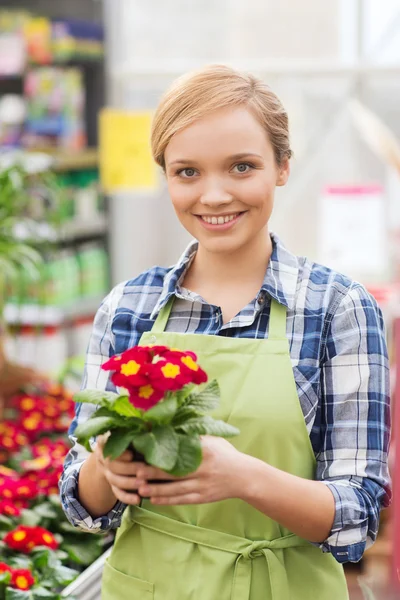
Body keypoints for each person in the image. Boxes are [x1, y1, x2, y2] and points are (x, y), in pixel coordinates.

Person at [60, 65, 391, 600]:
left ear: (283, 166)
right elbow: (84, 507)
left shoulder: (338, 307)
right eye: (187, 172)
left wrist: (242, 477)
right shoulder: (129, 307)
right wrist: (106, 469)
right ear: (165, 174)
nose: (213, 196)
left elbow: (359, 519)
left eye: (241, 167)